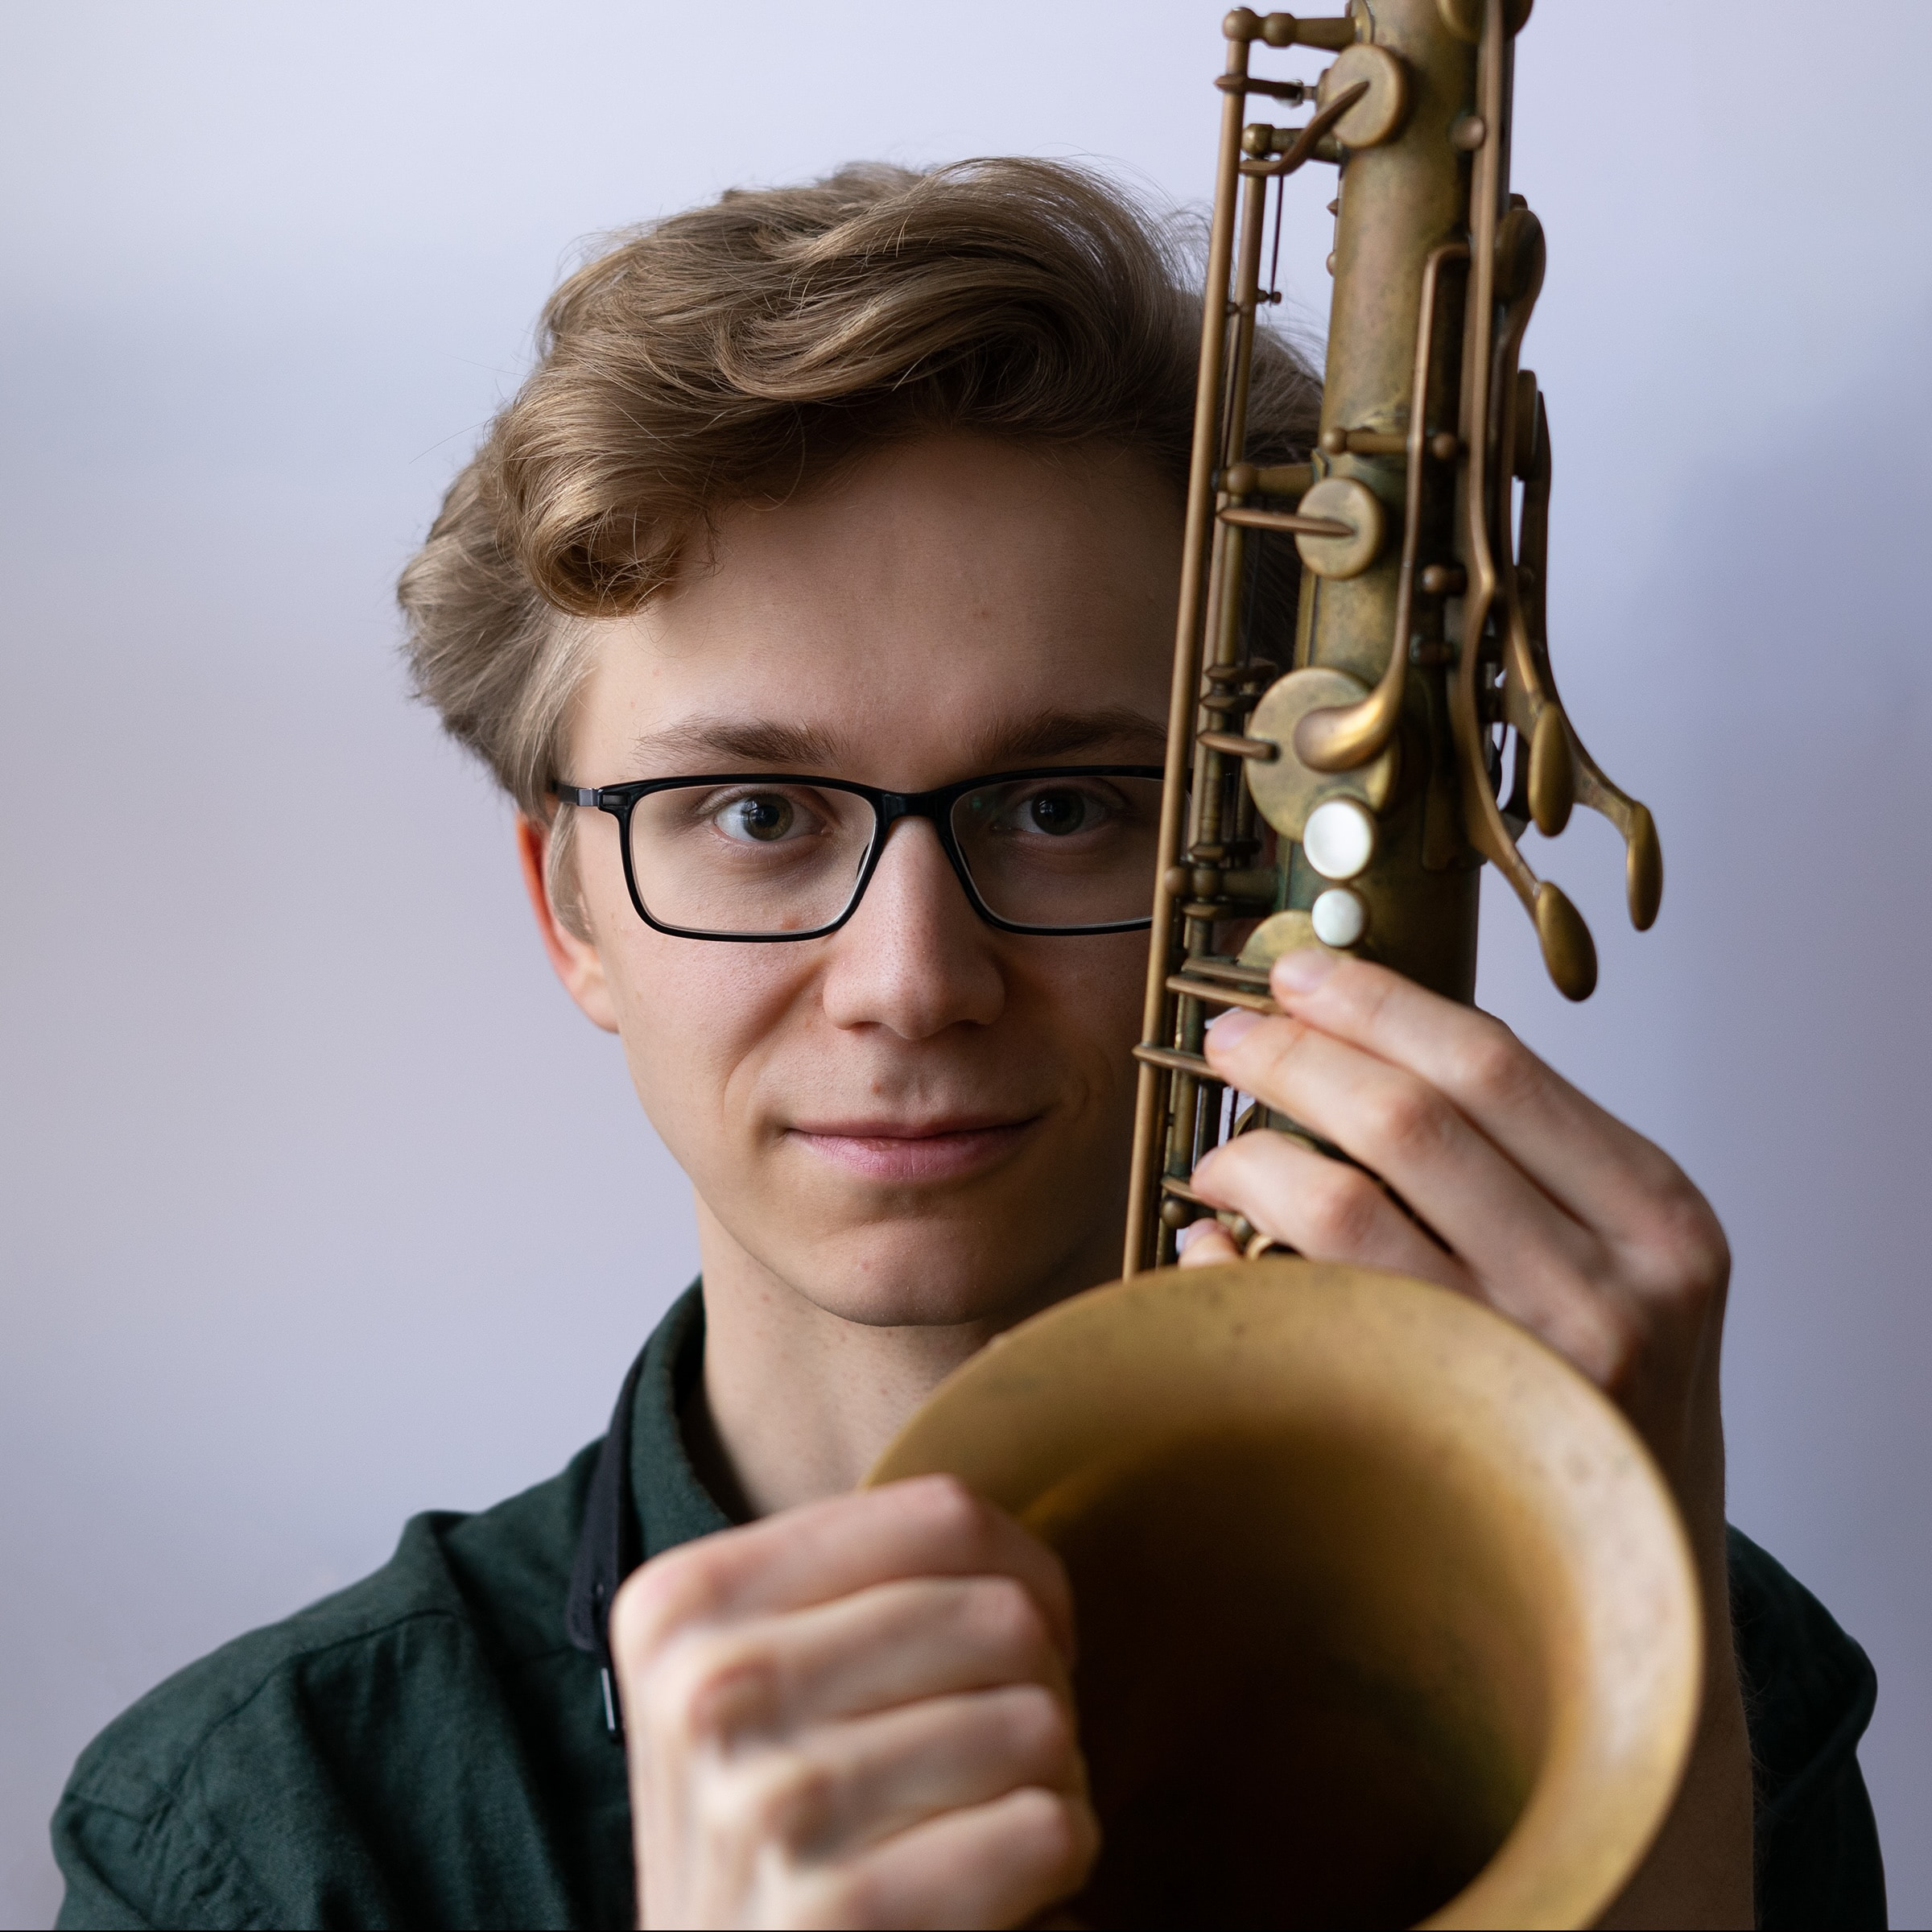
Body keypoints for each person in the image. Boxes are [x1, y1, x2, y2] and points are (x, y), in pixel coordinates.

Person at [51, 160, 1884, 1931]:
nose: (911, 981)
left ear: (1252, 871)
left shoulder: (1701, 1662)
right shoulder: (253, 1836)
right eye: (754, 814)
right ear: (572, 912)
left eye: (1068, 801)